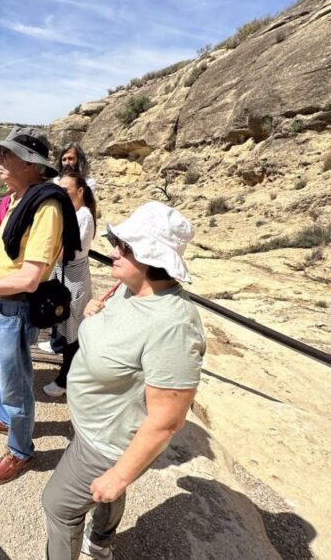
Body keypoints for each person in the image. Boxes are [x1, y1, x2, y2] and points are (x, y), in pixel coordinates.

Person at [42, 201, 206, 559]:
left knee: (58, 506)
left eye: (126, 247)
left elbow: (167, 420)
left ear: (151, 257)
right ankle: (101, 542)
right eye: (118, 241)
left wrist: (120, 474)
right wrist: (93, 316)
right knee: (98, 497)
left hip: (108, 442)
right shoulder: (129, 289)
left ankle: (95, 542)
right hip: (97, 425)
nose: (113, 250)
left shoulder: (173, 326)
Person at [0, 126, 81, 485]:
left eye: (6, 155)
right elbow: (3, 251)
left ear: (29, 163)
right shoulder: (19, 198)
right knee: (0, 369)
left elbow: (29, 278)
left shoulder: (46, 208)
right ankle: (8, 419)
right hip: (0, 302)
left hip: (16, 305)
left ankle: (21, 449)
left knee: (15, 379)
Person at [42, 171, 98, 398]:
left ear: (80, 191)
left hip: (73, 277)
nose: (61, 194)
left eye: (66, 190)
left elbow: (66, 250)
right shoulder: (72, 213)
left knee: (73, 327)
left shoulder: (83, 216)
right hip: (64, 273)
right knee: (66, 324)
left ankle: (66, 379)